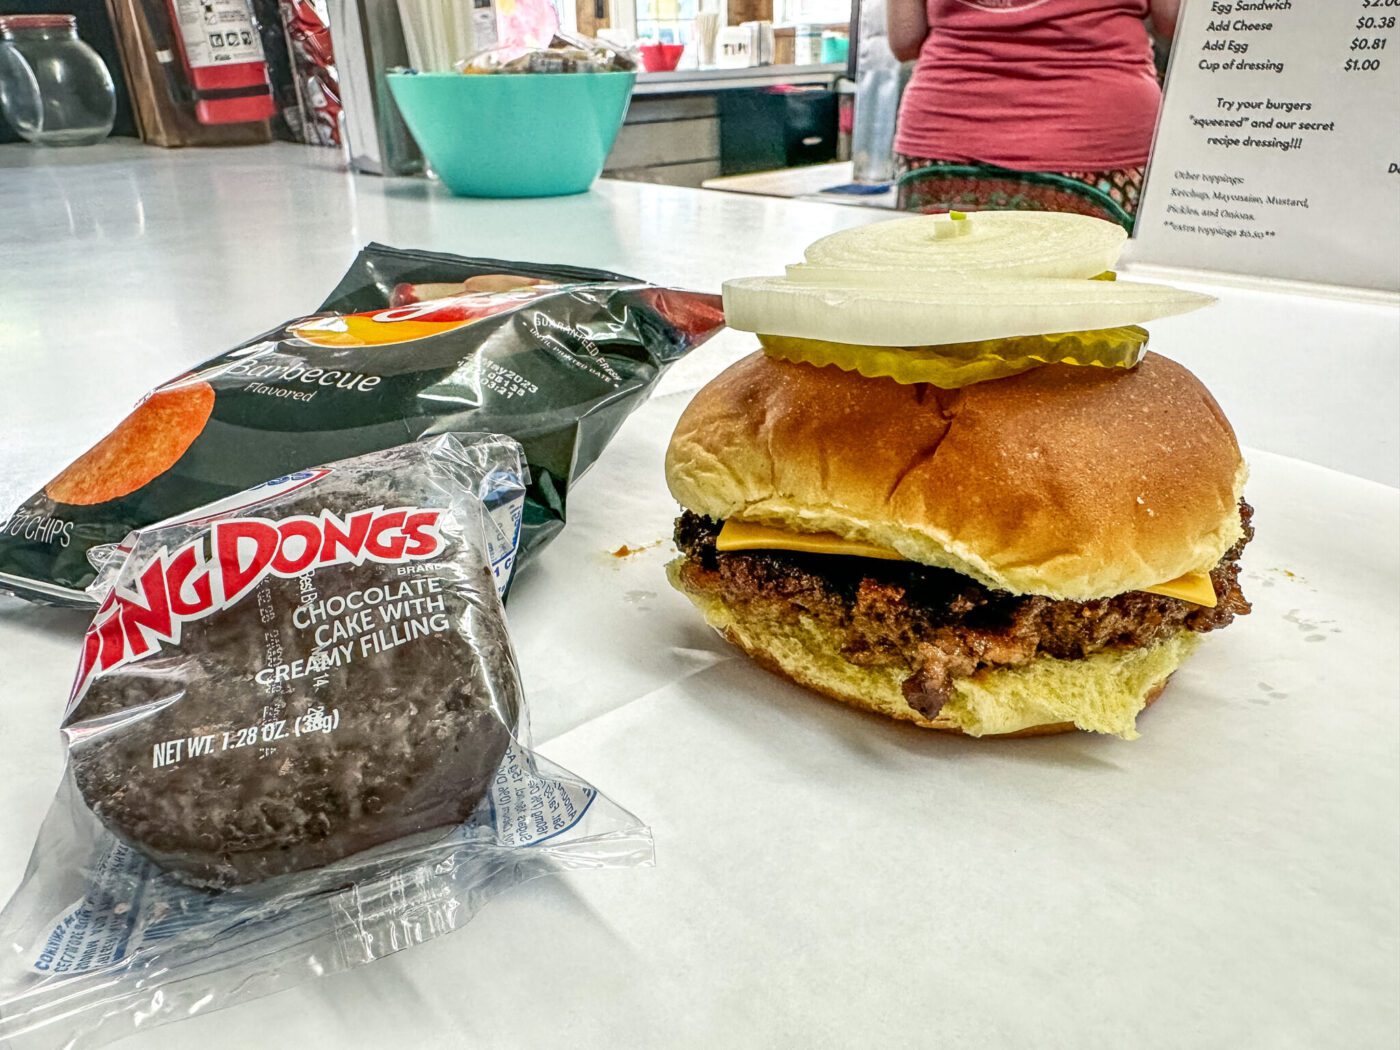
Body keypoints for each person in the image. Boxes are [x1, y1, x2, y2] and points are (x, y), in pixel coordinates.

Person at [886, 0, 1178, 226]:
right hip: (1095, 134)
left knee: (941, 296)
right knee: (1085, 297)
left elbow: (905, 39)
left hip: (946, 132)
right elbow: (1174, 19)